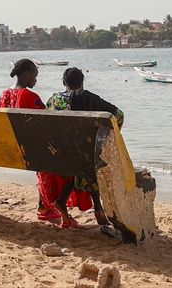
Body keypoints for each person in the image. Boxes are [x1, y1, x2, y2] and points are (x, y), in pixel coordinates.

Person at [48, 67, 123, 236]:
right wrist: (109, 139)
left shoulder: (53, 100)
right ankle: (98, 208)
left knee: (83, 157)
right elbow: (118, 114)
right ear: (81, 83)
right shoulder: (86, 96)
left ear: (63, 83)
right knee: (91, 155)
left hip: (60, 152)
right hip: (82, 153)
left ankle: (64, 201)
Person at [0, 59, 70, 221]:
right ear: (26, 74)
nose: (36, 80)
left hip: (11, 147)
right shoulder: (29, 95)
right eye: (35, 76)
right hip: (30, 150)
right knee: (60, 157)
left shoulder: (5, 93)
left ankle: (44, 207)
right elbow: (47, 122)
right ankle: (48, 206)